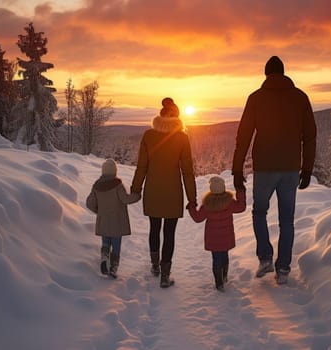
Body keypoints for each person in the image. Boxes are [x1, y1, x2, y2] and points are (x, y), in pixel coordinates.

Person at [232, 55, 317, 285]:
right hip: (290, 168)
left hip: (265, 168)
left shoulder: (256, 98)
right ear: (283, 72)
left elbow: (244, 136)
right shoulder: (300, 98)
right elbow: (310, 136)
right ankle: (284, 269)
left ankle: (266, 257)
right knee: (286, 220)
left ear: (266, 74)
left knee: (259, 212)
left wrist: (237, 170)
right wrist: (307, 169)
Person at [131, 97, 197, 288]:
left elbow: (141, 166)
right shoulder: (182, 138)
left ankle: (154, 265)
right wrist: (191, 198)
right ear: (177, 117)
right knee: (169, 233)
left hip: (152, 190)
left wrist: (136, 189)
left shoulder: (148, 136)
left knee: (154, 228)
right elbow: (187, 171)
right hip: (173, 193)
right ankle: (165, 275)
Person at [187, 176, 246, 292]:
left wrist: (191, 207)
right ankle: (224, 276)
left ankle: (218, 282)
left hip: (213, 239)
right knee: (224, 256)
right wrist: (240, 192)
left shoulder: (207, 205)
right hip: (226, 237)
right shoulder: (230, 203)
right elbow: (241, 207)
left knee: (216, 258)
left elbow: (198, 218)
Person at [86, 158, 141, 279]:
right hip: (117, 222)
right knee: (116, 245)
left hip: (104, 221)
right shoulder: (118, 185)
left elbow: (89, 203)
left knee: (106, 242)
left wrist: (99, 211)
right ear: (114, 171)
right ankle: (113, 268)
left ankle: (105, 257)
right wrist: (137, 196)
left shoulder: (97, 186)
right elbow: (125, 199)